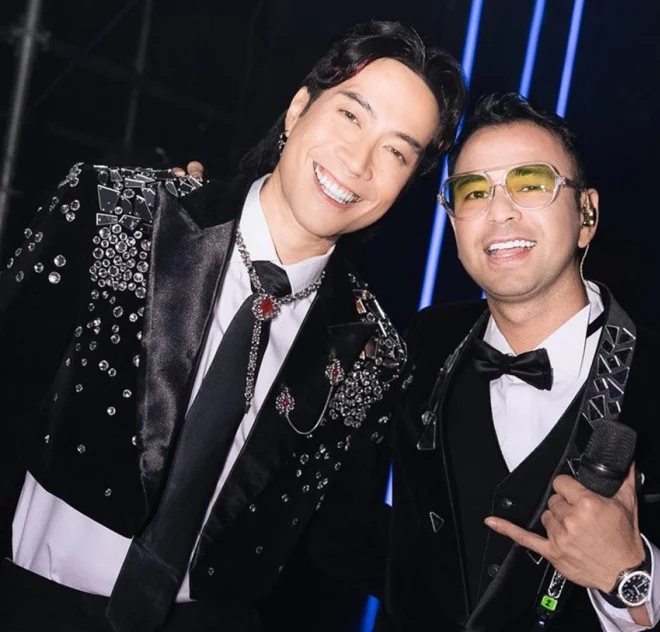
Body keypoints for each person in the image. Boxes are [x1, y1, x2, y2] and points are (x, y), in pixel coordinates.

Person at [0, 20, 466, 632]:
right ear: (298, 108)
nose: (358, 162)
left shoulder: (373, 354)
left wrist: (495, 592)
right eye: (351, 115)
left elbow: (341, 535)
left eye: (396, 151)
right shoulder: (116, 214)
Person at [375, 93, 660, 631]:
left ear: (587, 215)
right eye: (473, 191)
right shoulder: (426, 345)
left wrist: (630, 574)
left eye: (531, 183)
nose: (499, 211)